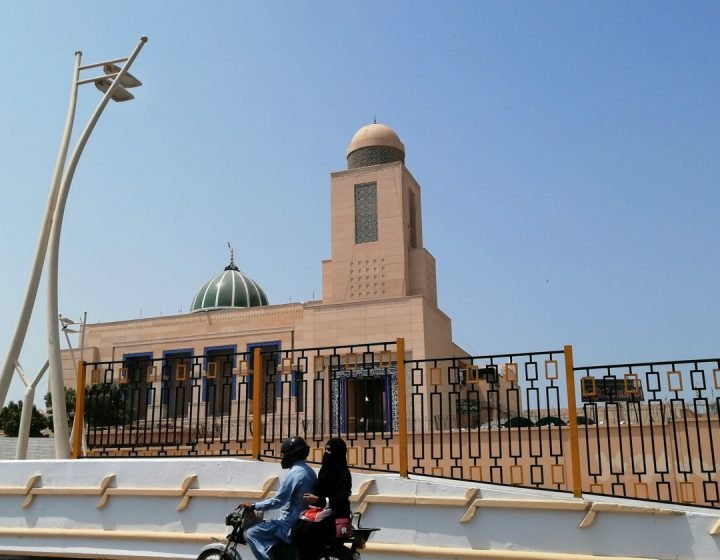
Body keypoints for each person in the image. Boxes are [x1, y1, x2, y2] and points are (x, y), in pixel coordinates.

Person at [242, 436, 317, 560]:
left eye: (284, 454)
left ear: (291, 454)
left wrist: (254, 506)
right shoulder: (309, 471)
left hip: (290, 523)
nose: (283, 457)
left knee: (251, 533)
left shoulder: (295, 473)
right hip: (301, 520)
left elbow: (278, 501)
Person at [294, 437, 352, 560]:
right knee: (297, 528)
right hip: (322, 514)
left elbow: (341, 500)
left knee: (307, 532)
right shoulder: (324, 471)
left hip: (339, 517)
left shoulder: (344, 473)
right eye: (326, 450)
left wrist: (319, 500)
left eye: (330, 450)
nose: (327, 453)